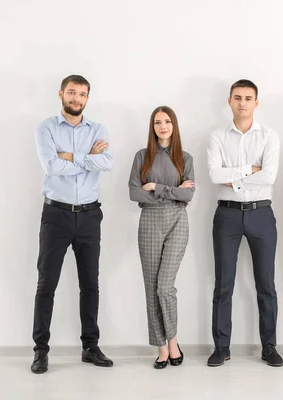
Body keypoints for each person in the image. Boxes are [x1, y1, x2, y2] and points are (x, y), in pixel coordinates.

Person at [31, 75, 114, 374]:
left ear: (88, 98)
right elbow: (51, 166)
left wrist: (72, 156)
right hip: (56, 216)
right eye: (71, 93)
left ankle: (90, 347)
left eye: (82, 94)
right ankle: (41, 350)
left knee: (90, 285)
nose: (76, 98)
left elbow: (108, 162)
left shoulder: (99, 130)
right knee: (46, 285)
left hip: (90, 216)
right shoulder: (47, 128)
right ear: (61, 94)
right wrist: (88, 158)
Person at [206, 79, 283, 367]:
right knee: (223, 284)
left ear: (256, 103)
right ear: (229, 101)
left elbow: (270, 176)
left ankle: (270, 346)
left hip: (262, 213)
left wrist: (234, 178)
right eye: (237, 97)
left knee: (266, 284)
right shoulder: (216, 136)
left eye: (248, 98)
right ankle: (221, 346)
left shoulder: (269, 136)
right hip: (226, 214)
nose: (242, 103)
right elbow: (214, 175)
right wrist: (250, 170)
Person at [129, 106, 195, 369]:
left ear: (174, 125)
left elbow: (189, 196)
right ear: (152, 127)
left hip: (178, 220)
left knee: (165, 287)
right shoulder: (142, 156)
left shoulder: (185, 157)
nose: (163, 126)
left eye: (167, 121)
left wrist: (156, 187)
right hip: (149, 222)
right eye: (158, 122)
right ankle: (161, 347)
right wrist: (174, 190)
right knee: (151, 287)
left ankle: (173, 341)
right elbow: (134, 193)